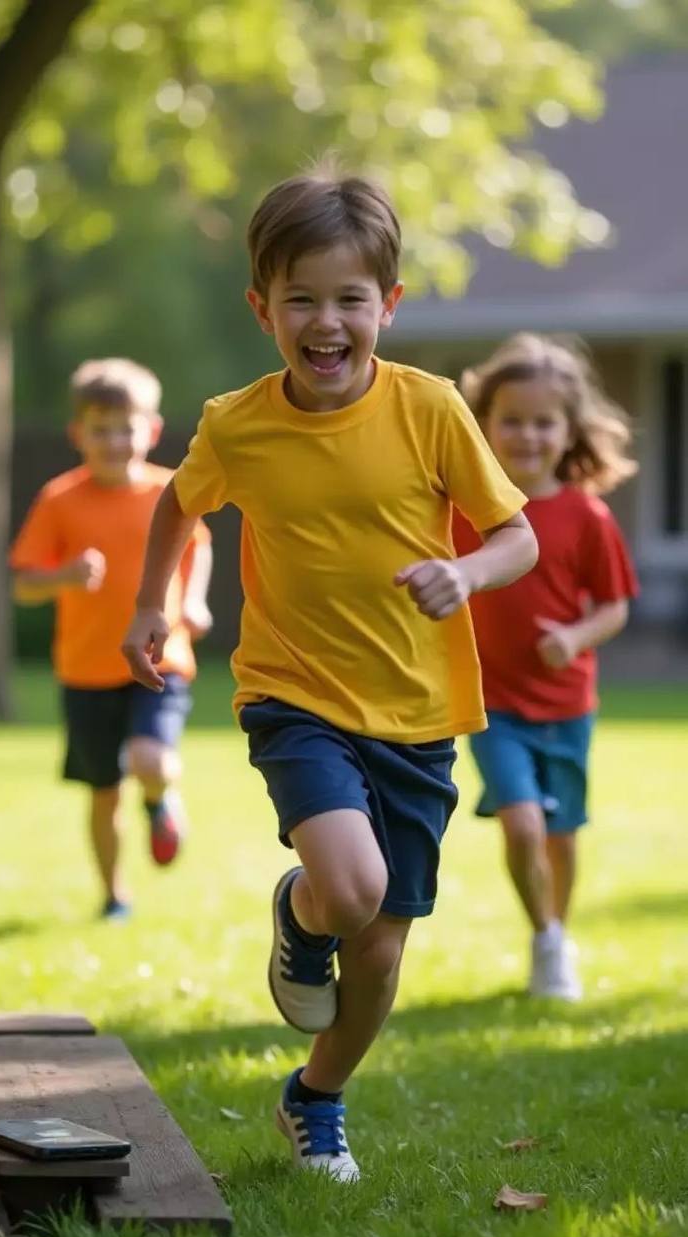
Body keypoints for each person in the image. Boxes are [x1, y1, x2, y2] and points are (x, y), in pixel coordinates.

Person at [122, 167, 537, 1181]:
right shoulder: (238, 424)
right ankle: (305, 907)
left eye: (349, 298)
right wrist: (149, 605)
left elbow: (513, 534)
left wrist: (465, 568)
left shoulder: (430, 410)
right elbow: (179, 502)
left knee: (383, 951)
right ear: (262, 307)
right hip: (293, 693)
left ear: (386, 306)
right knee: (352, 888)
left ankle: (314, 1096)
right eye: (300, 298)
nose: (326, 321)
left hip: (416, 709)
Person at [453, 332, 639, 1001]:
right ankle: (544, 938)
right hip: (489, 702)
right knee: (522, 822)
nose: (526, 436)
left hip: (565, 704)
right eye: (511, 420)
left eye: (542, 422)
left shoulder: (585, 515)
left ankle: (555, 930)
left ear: (567, 431)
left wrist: (574, 635)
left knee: (560, 836)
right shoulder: (464, 509)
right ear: (483, 425)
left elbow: (615, 606)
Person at [11, 357, 212, 921]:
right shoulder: (59, 499)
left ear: (149, 430)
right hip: (85, 670)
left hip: (158, 658)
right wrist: (64, 576)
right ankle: (114, 894)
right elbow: (25, 585)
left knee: (150, 757)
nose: (114, 441)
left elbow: (199, 546)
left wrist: (192, 600)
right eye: (100, 429)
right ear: (78, 434)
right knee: (103, 792)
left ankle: (160, 798)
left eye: (126, 427)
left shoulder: (168, 491)